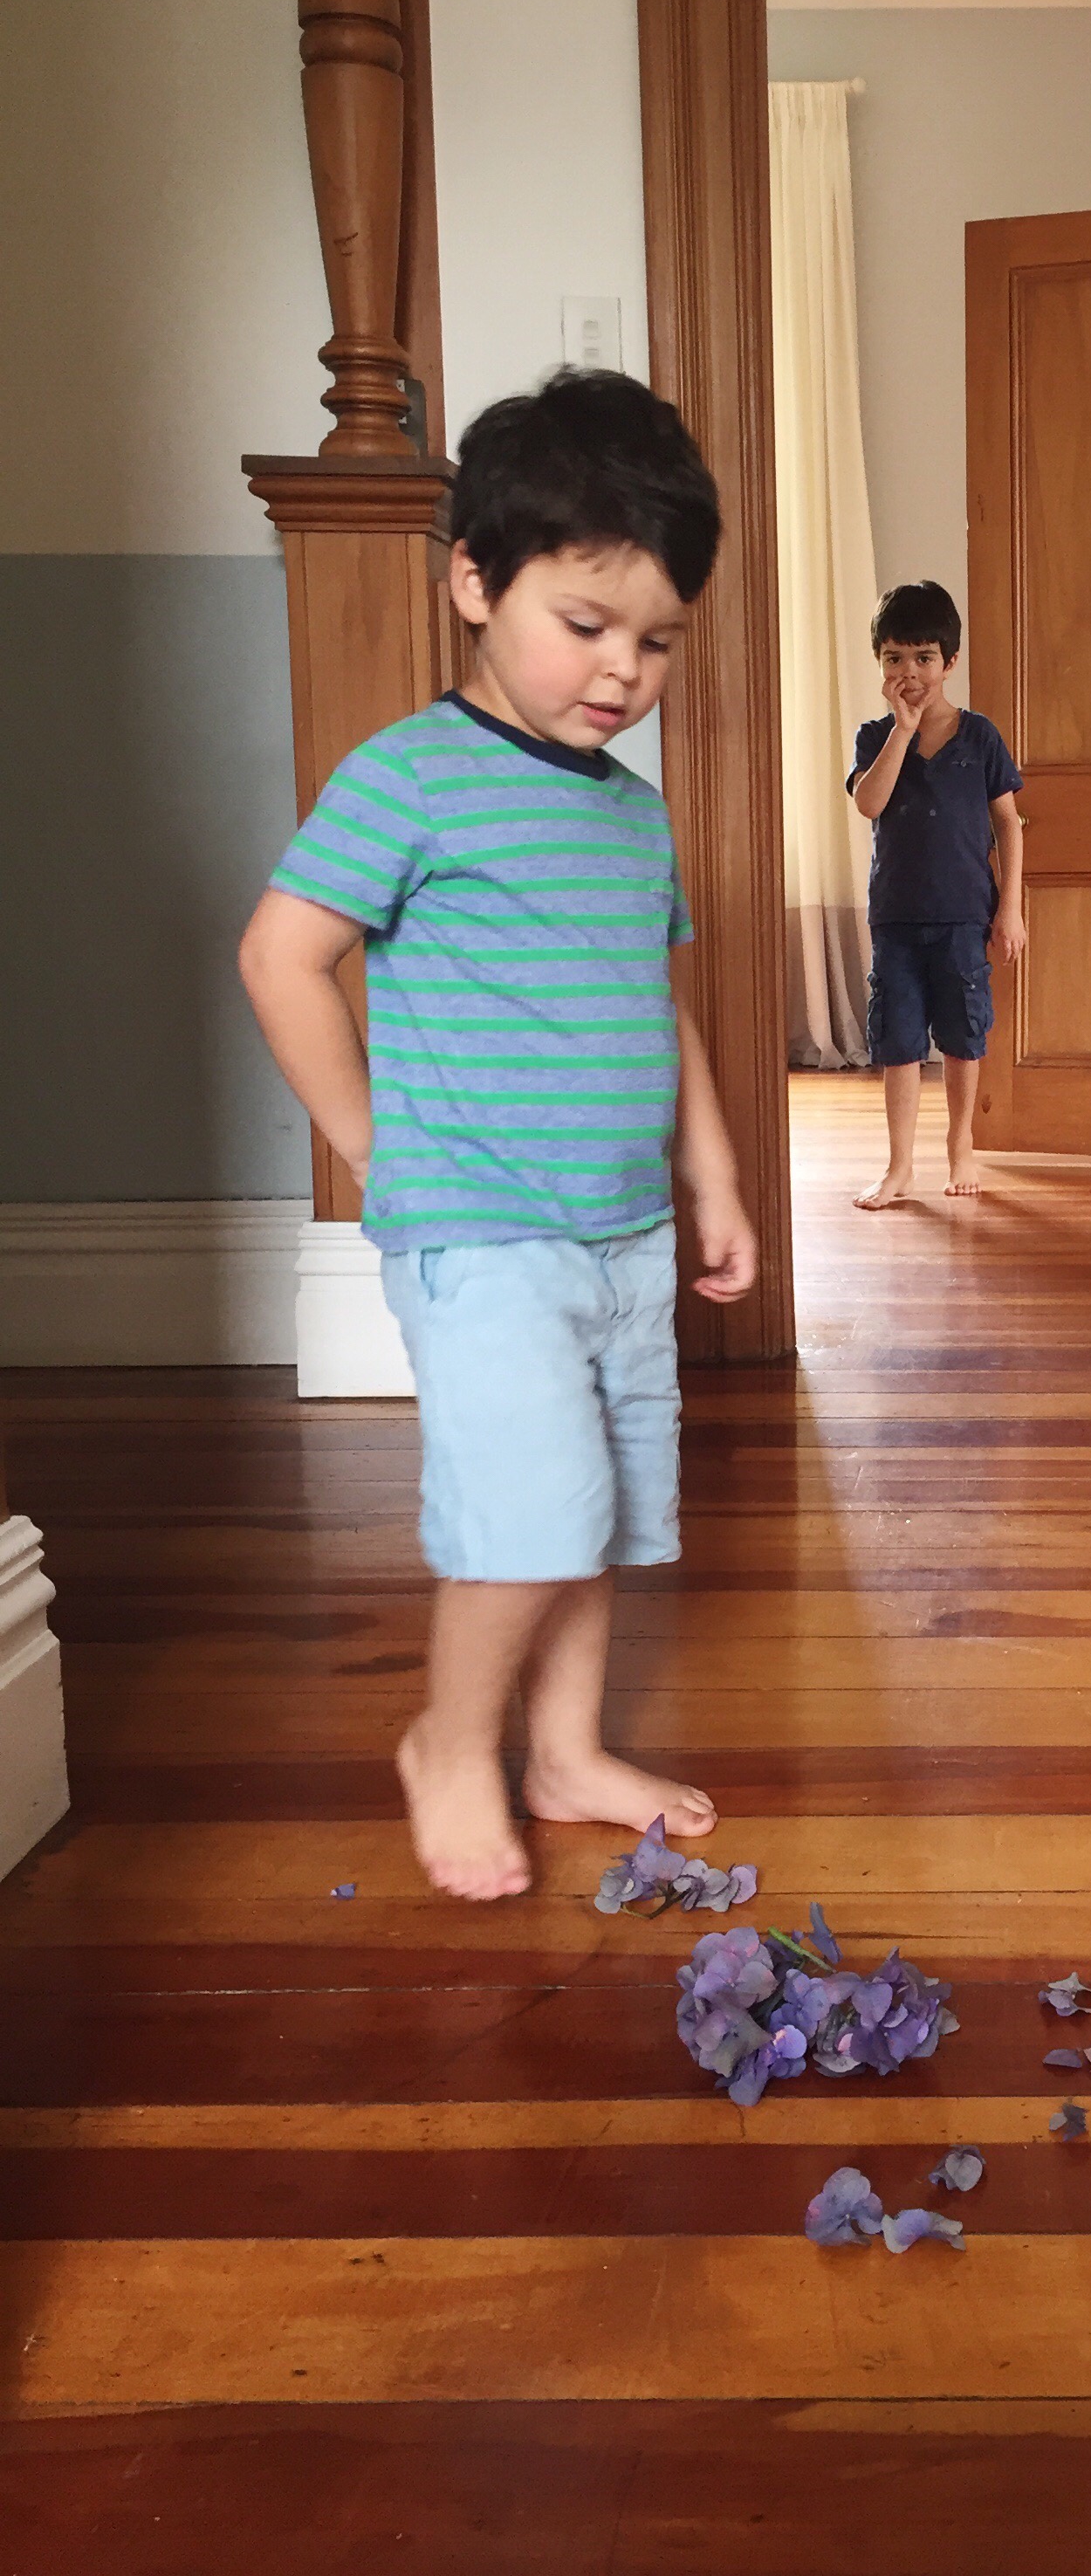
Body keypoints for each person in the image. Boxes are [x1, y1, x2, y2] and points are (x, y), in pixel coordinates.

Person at [237, 368, 757, 1903]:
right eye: (584, 625)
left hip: (622, 1233)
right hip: (481, 1234)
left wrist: (714, 1175)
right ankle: (449, 1743)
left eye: (656, 640)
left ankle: (564, 1751)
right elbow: (279, 956)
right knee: (530, 1511)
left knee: (603, 1506)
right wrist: (375, 1150)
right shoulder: (409, 776)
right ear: (473, 579)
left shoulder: (630, 812)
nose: (621, 671)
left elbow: (652, 1004)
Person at [847, 580, 1025, 1206]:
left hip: (963, 915)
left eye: (924, 657)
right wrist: (903, 731)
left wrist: (1010, 908)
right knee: (898, 1041)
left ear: (950, 662)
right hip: (896, 917)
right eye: (894, 658)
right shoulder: (874, 737)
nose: (910, 671)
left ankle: (960, 1145)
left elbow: (1008, 824)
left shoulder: (980, 738)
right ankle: (899, 1164)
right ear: (879, 664)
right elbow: (870, 803)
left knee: (961, 1036)